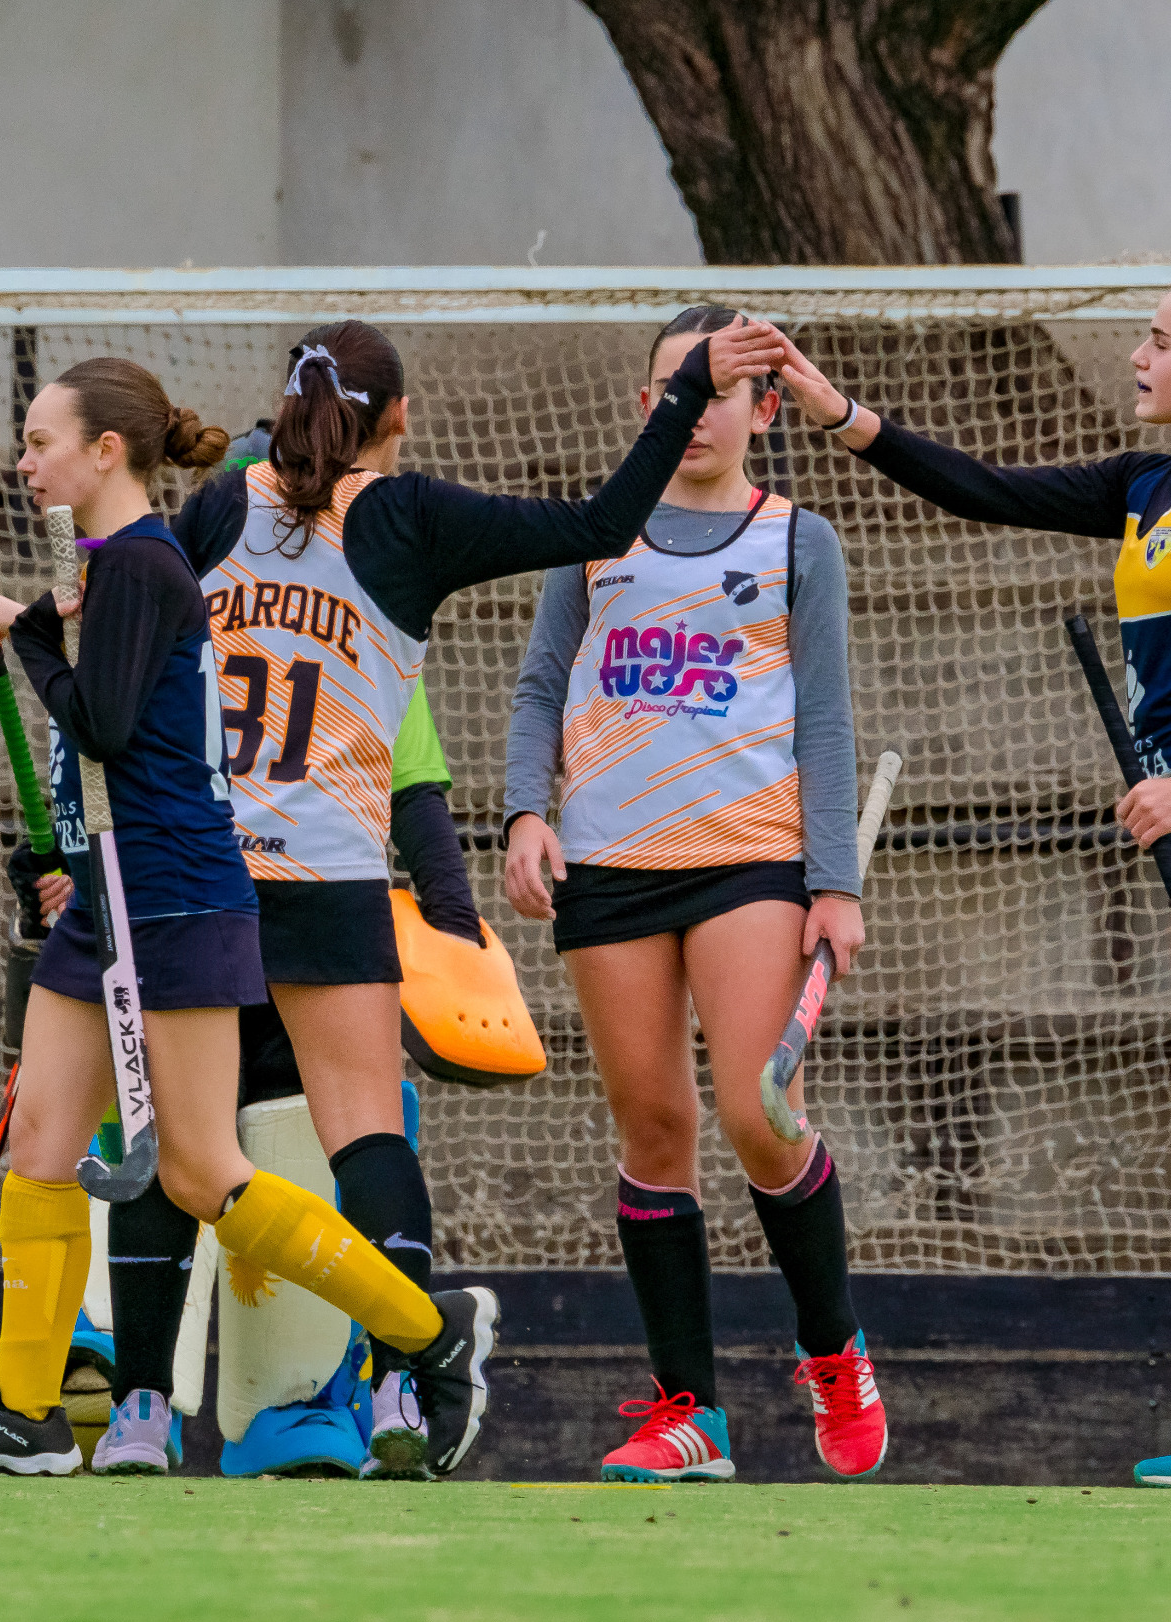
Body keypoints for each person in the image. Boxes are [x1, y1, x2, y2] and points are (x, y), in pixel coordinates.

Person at [766, 273, 1171, 1490]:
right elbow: (987, 489)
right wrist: (839, 413)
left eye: (1159, 341)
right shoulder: (1154, 486)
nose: (1137, 355)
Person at [144, 314, 765, 1476]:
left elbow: (145, 637)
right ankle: (400, 1377)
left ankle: (143, 1399)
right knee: (363, 1133)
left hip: (208, 864)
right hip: (330, 869)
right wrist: (682, 396)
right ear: (400, 416)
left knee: (182, 1147)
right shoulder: (407, 516)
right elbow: (596, 524)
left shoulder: (221, 507)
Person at [0, 358, 497, 1477]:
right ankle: (21, 1409)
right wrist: (33, 612)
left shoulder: (140, 562)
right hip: (111, 896)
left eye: (40, 441)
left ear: (106, 451)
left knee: (200, 1172)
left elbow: (107, 721)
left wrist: (32, 641)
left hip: (172, 896)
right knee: (41, 1143)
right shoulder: (114, 564)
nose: (24, 461)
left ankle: (423, 1331)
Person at [503, 305, 883, 1483]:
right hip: (609, 864)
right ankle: (689, 1414)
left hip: (747, 859)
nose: (700, 408)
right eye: (681, 385)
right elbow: (535, 689)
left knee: (756, 1115)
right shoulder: (592, 535)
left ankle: (832, 1351)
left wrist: (833, 882)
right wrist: (524, 810)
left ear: (764, 408)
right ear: (647, 403)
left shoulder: (794, 540)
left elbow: (824, 718)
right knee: (654, 1130)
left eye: (722, 389)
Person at [81, 681, 499, 1478]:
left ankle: (343, 1390)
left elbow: (407, 778)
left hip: (307, 895)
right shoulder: (164, 580)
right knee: (166, 1132)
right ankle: (142, 1397)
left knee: (318, 1124)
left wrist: (451, 915)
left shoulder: (349, 588)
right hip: (189, 888)